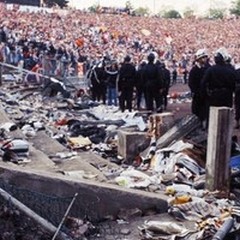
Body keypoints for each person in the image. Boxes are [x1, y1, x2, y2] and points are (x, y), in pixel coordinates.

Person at [201, 47, 236, 122]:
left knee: (214, 117)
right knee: (226, 117)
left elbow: (203, 83)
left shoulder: (210, 69)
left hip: (214, 95)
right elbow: (234, 83)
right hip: (227, 95)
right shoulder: (230, 70)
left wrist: (207, 94)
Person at [188, 49, 210, 126]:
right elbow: (191, 82)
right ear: (199, 59)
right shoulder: (194, 70)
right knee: (196, 111)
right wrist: (195, 91)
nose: (205, 59)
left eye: (205, 57)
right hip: (197, 95)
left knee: (206, 111)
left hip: (206, 94)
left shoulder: (208, 68)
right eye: (203, 57)